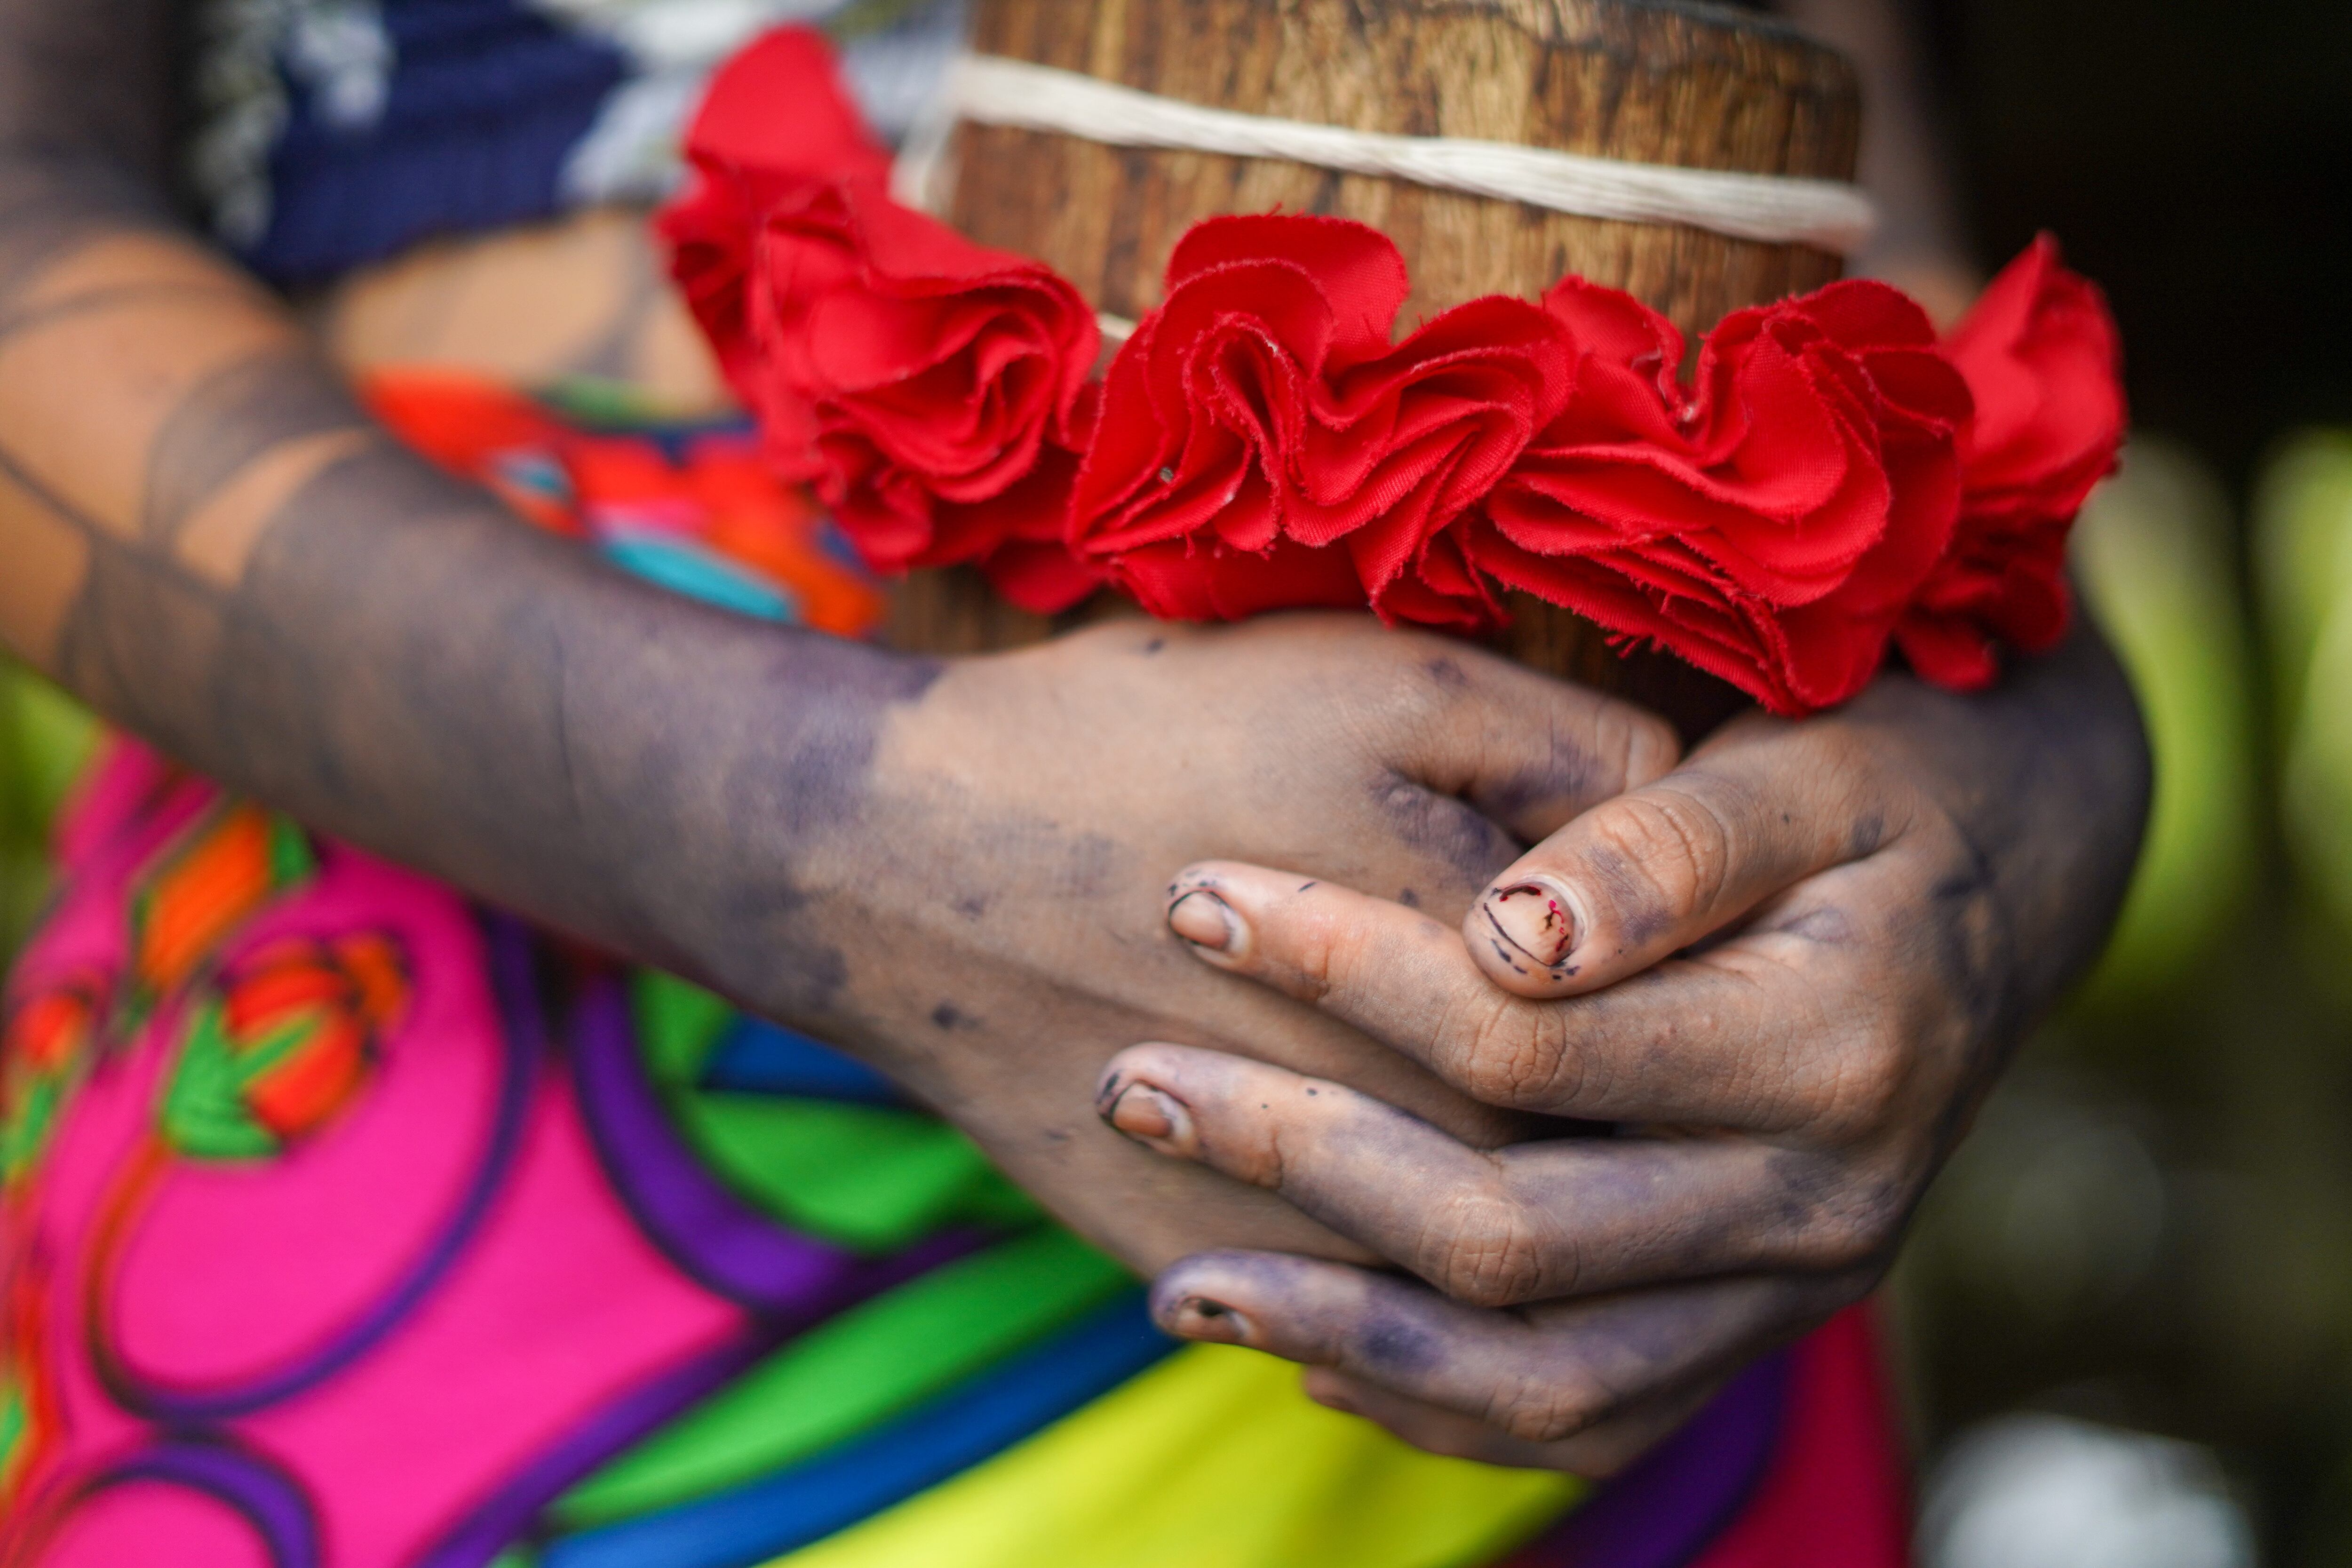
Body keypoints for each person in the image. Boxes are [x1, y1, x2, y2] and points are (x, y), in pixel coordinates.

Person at [0, 0, 2148, 1563]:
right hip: (500, 1052)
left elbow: (1873, 262)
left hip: (1604, 1269)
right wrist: (830, 838)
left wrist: (2027, 794)